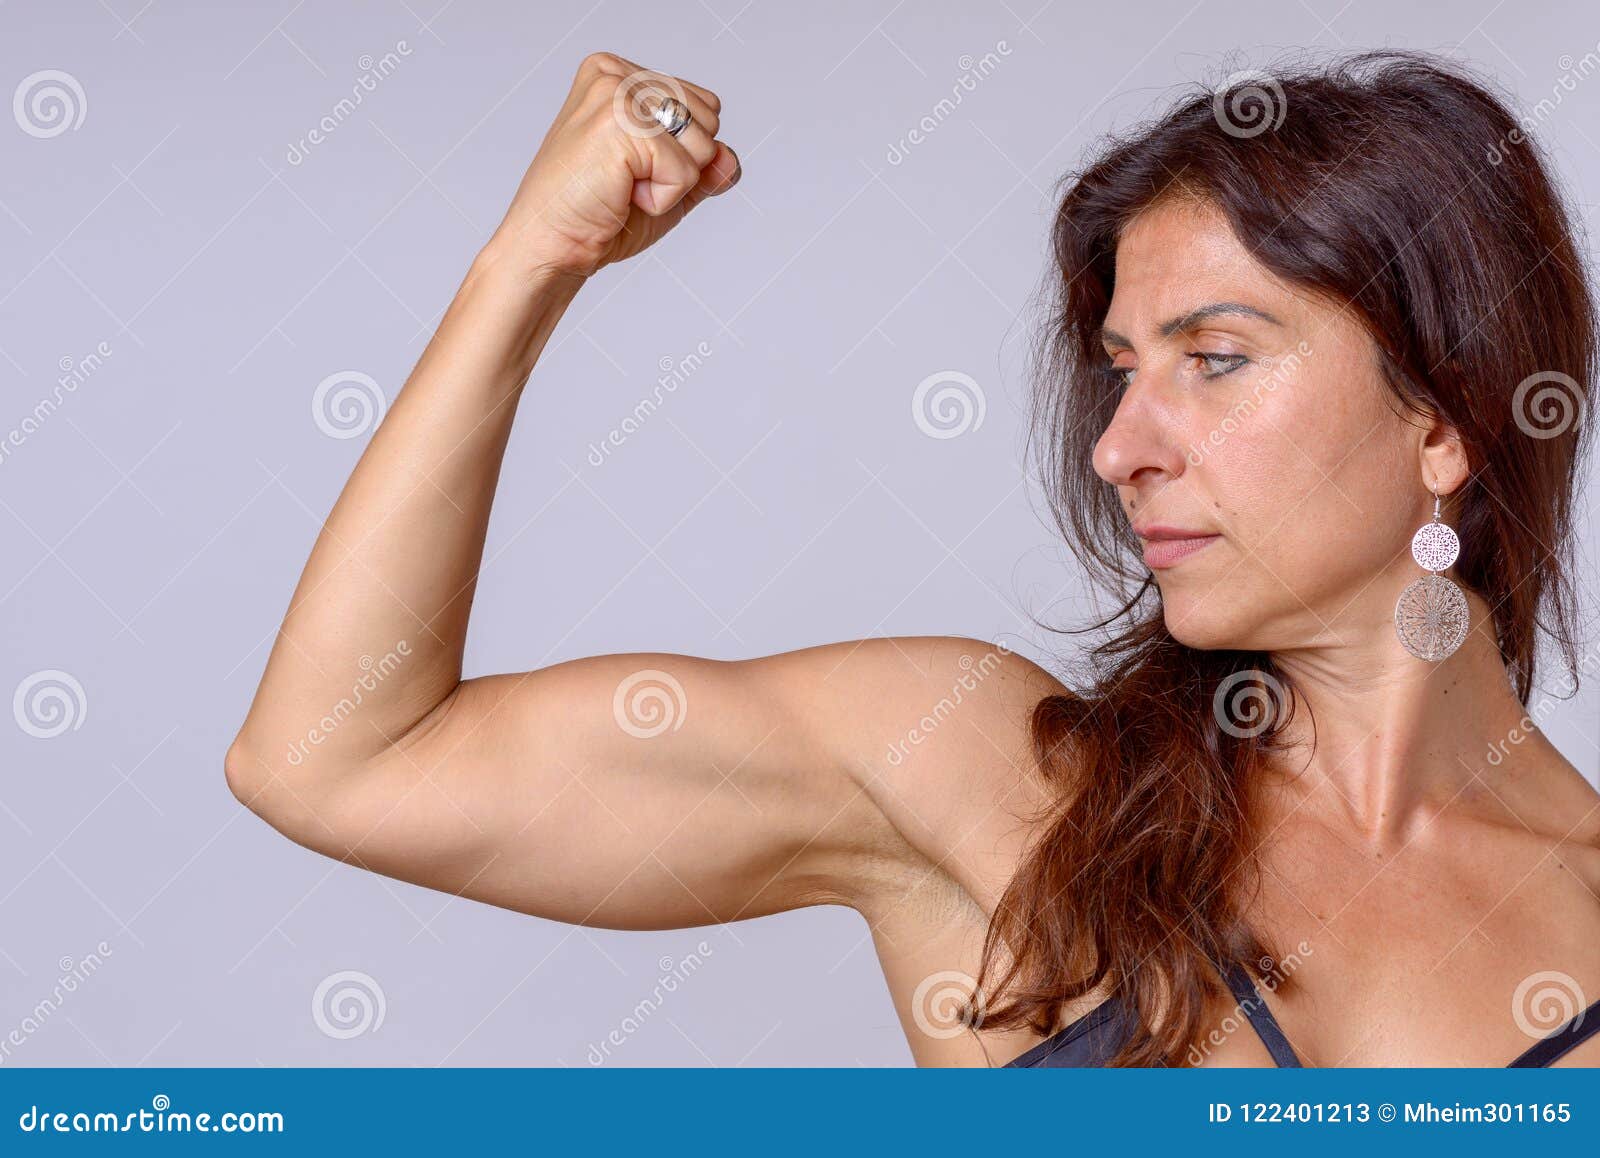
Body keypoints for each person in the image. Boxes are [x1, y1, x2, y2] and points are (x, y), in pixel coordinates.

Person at [226, 49, 1600, 1066]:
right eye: (1123, 370)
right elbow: (338, 760)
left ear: (1445, 421)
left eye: (1217, 360)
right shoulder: (996, 774)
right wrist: (531, 264)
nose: (1122, 446)